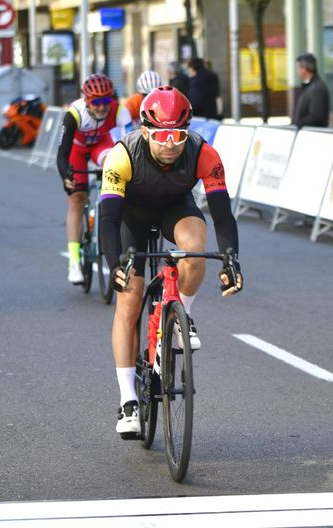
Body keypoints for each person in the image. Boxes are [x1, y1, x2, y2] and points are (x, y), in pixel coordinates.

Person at [98, 86, 243, 435]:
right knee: (129, 299)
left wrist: (231, 261)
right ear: (145, 130)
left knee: (195, 248)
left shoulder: (204, 153)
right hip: (129, 216)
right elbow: (108, 220)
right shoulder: (121, 156)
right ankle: (128, 401)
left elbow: (223, 216)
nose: (170, 143)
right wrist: (115, 263)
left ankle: (181, 317)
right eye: (161, 134)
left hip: (175, 209)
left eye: (178, 135)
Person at [56, 73, 132, 284]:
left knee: (112, 163)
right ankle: (74, 262)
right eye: (96, 102)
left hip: (101, 146)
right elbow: (62, 153)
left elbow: (131, 145)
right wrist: (66, 177)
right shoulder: (74, 114)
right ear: (86, 99)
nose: (101, 106)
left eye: (106, 100)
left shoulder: (118, 110)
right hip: (77, 151)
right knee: (76, 200)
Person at [292, 53, 329, 128]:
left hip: (312, 136)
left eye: (298, 67)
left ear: (304, 69)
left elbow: (316, 116)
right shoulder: (310, 86)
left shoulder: (317, 88)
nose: (297, 71)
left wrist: (296, 124)